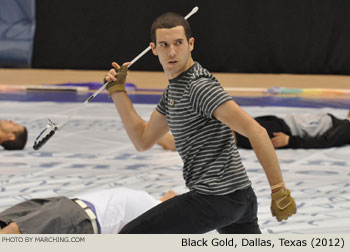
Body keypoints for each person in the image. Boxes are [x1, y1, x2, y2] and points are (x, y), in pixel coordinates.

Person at [104, 12, 296, 234]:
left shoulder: (199, 87)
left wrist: (278, 189)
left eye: (178, 43)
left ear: (190, 44)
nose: (172, 51)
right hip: (239, 198)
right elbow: (143, 140)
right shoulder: (174, 91)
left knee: (130, 238)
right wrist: (118, 92)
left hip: (214, 198)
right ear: (154, 49)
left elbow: (257, 131)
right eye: (164, 45)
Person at [0, 187, 176, 234]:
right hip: (69, 205)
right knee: (6, 223)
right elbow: (170, 194)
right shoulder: (154, 203)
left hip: (79, 219)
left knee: (15, 233)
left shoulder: (159, 219)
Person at [234, 111, 350, 149]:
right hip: (279, 122)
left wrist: (290, 140)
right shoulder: (343, 123)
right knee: (234, 123)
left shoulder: (346, 129)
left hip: (282, 131)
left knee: (236, 134)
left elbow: (323, 142)